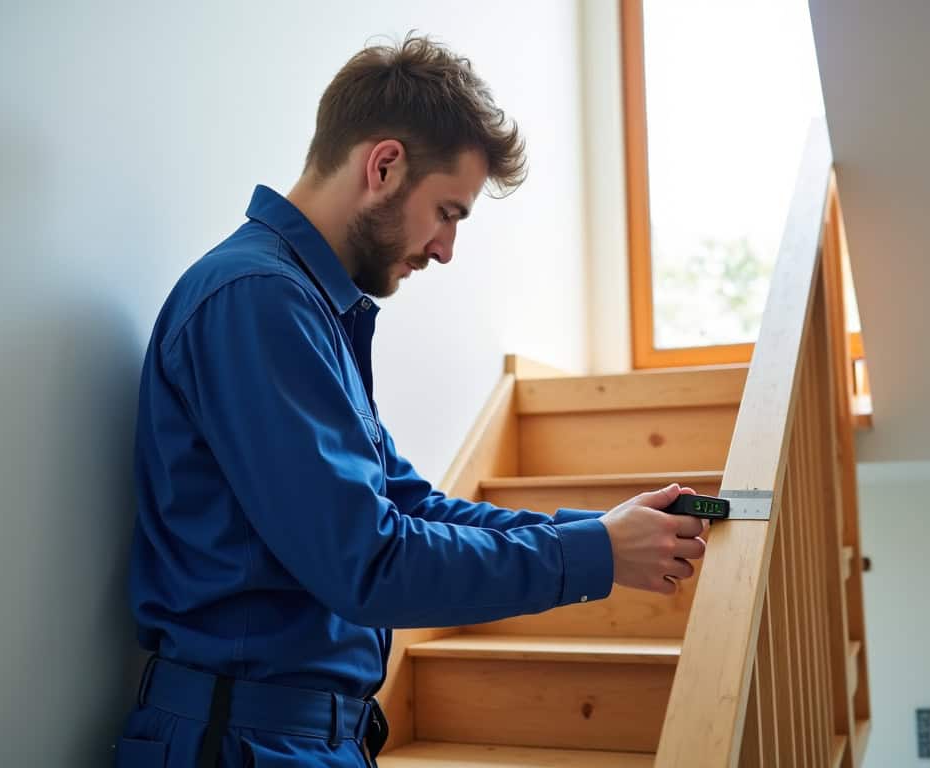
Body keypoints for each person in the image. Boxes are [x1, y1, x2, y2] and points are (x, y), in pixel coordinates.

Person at [115, 34, 709, 768]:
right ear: (384, 166)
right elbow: (368, 563)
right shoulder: (259, 301)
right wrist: (592, 554)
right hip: (246, 742)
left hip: (289, 736)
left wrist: (603, 534)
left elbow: (412, 508)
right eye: (447, 212)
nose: (446, 248)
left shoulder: (303, 308)